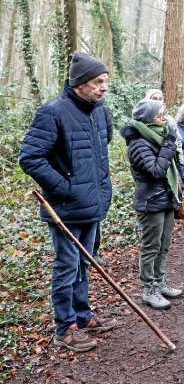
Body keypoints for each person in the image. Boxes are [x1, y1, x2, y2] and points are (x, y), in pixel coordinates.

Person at [19, 51, 117, 352]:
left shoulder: (100, 111)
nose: (103, 88)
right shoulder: (53, 112)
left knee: (83, 264)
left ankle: (83, 316)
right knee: (67, 265)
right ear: (80, 82)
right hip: (66, 207)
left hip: (92, 203)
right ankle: (65, 328)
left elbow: (103, 147)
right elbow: (31, 157)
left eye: (105, 82)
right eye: (98, 82)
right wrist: (66, 188)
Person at [120, 99, 184, 310]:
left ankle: (160, 281)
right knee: (151, 247)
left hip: (165, 198)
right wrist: (168, 145)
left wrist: (168, 145)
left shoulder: (158, 135)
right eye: (159, 115)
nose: (164, 118)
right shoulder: (139, 143)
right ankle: (149, 289)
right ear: (147, 119)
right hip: (150, 201)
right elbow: (156, 171)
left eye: (165, 114)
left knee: (163, 245)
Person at [93, 103, 114, 265]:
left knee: (95, 213)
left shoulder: (102, 109)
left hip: (98, 171)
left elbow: (107, 135)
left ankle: (94, 250)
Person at [144, 88, 183, 164]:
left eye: (160, 99)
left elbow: (178, 140)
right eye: (154, 99)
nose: (158, 101)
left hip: (171, 159)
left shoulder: (170, 119)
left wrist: (180, 162)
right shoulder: (143, 118)